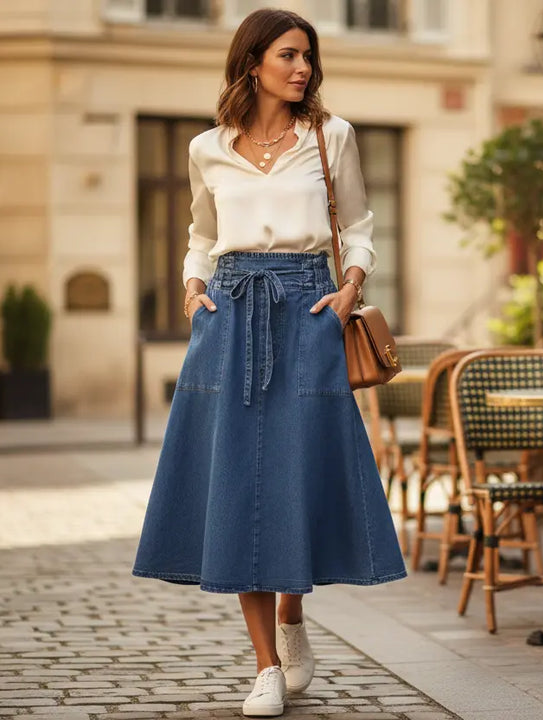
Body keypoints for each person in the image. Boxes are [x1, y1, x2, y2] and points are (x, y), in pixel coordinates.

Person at [131, 8, 406, 717]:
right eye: (289, 55)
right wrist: (194, 290)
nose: (303, 67)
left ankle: (292, 615)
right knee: (239, 484)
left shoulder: (330, 136)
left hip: (310, 310)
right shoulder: (207, 147)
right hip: (229, 313)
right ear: (253, 61)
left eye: (308, 56)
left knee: (296, 473)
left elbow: (361, 225)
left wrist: (349, 290)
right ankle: (265, 669)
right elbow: (200, 231)